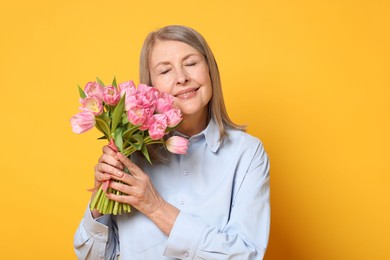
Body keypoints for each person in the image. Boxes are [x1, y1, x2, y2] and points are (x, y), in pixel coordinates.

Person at [74, 25, 270, 259]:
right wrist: (101, 196)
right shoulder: (129, 152)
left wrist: (155, 207)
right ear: (151, 86)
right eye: (165, 70)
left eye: (191, 63)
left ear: (210, 70)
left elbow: (245, 255)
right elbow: (92, 256)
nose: (182, 78)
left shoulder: (247, 153)